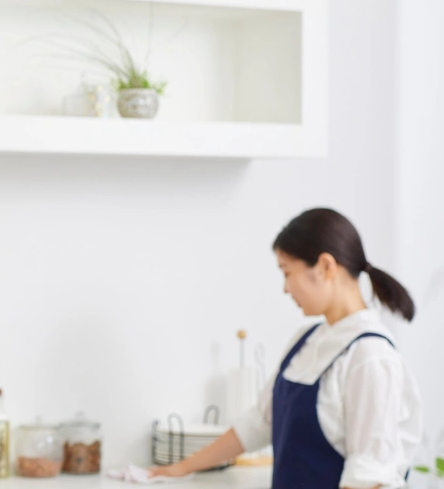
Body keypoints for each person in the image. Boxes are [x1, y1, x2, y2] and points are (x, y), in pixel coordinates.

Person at [152, 208, 423, 488]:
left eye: (287, 272)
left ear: (325, 266)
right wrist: (178, 469)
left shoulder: (370, 357)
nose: (285, 288)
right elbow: (258, 423)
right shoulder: (306, 339)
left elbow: (369, 478)